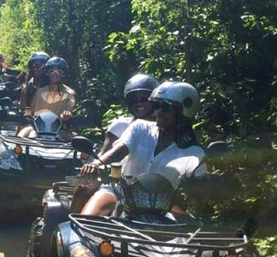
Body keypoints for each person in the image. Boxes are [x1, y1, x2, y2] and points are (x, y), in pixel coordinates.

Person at [76, 81, 206, 216]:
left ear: (183, 112)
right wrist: (97, 164)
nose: (159, 112)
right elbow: (120, 150)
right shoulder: (140, 127)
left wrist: (214, 183)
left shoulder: (195, 152)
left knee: (192, 232)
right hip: (120, 192)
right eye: (157, 107)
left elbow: (199, 186)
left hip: (162, 206)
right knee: (87, 221)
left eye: (165, 108)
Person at [99, 73, 159, 155]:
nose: (139, 103)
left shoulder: (164, 129)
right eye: (133, 100)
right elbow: (103, 157)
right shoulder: (120, 126)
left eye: (144, 99)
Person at [17, 56, 76, 138]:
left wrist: (67, 113)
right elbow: (32, 113)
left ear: (63, 73)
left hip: (60, 129)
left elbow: (70, 107)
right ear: (47, 72)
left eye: (59, 71)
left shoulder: (70, 93)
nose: (55, 74)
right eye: (52, 71)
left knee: (76, 144)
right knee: (21, 135)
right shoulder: (40, 91)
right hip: (37, 128)